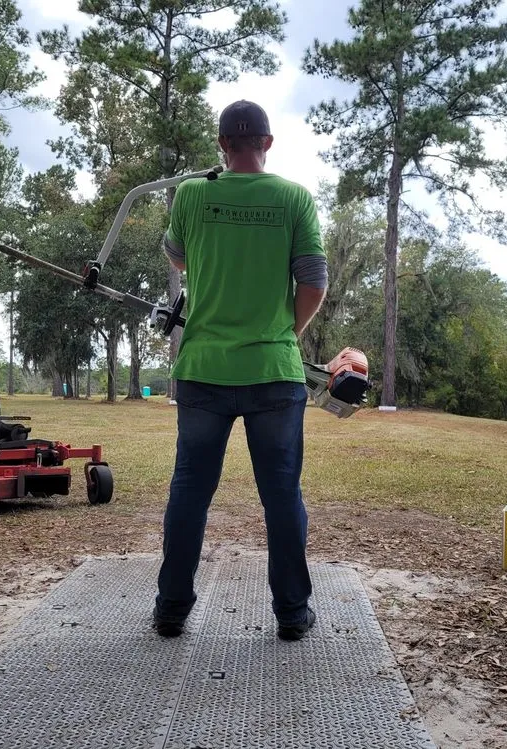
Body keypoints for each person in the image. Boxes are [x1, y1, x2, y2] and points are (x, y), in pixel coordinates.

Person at [153, 100, 328, 642]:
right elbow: (313, 281)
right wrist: (285, 333)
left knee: (190, 490)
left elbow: (176, 256)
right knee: (282, 495)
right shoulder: (294, 198)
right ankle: (292, 614)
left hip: (203, 370)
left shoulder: (192, 194)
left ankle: (171, 609)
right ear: (267, 143)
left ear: (222, 144)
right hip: (273, 371)